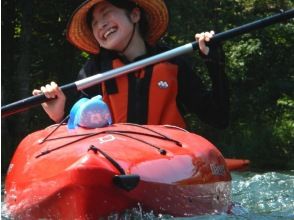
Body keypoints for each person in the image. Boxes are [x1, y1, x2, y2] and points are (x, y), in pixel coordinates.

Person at [33, 0, 229, 129]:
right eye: (94, 23)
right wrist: (59, 115)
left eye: (106, 13)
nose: (100, 24)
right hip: (113, 160)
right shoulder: (93, 71)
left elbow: (218, 117)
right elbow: (77, 126)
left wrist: (213, 61)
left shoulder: (172, 62)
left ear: (134, 15)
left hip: (166, 160)